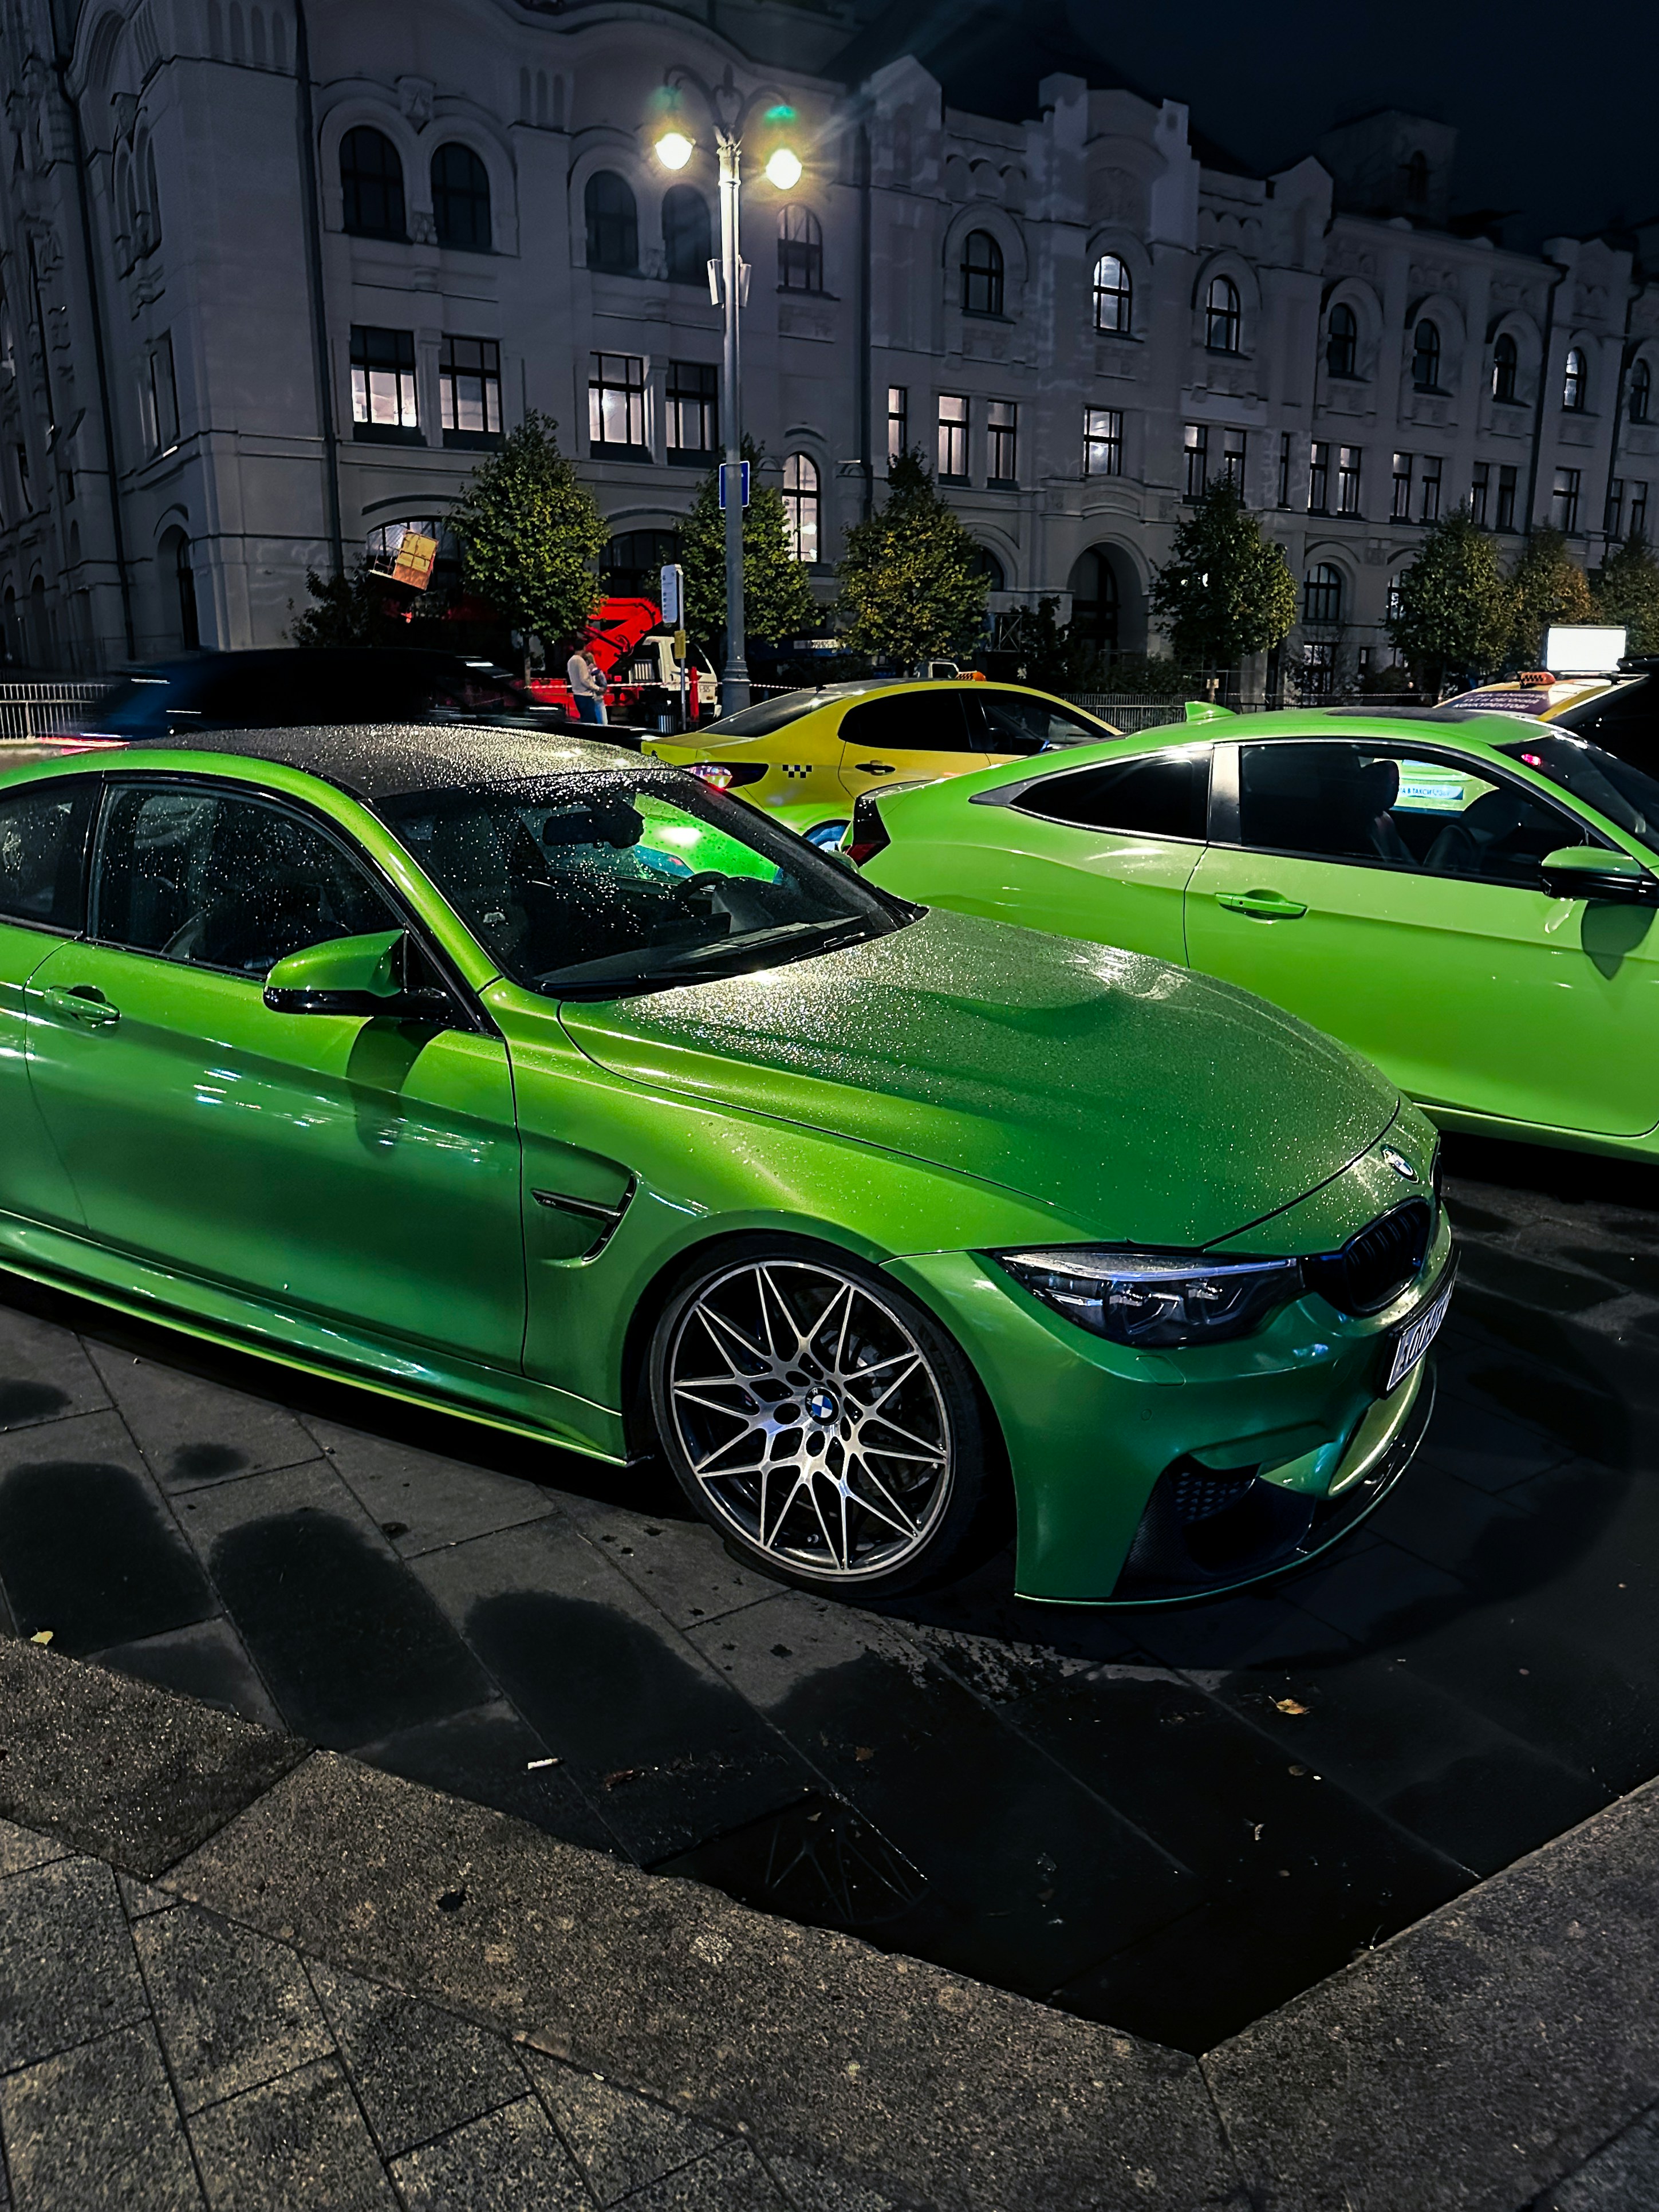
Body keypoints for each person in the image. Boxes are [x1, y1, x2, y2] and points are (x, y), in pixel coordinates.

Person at [566, 637, 609, 725]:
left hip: (577, 694)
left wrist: (588, 670)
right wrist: (598, 689)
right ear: (584, 647)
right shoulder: (580, 661)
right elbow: (584, 680)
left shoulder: (570, 661)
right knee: (590, 722)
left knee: (585, 720)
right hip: (585, 696)